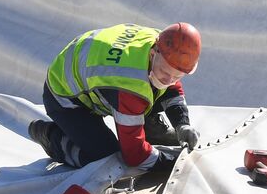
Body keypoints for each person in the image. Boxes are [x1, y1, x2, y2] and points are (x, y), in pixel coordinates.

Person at [29, 23, 201, 171]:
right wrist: (173, 164)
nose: (169, 80)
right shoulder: (129, 83)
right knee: (107, 160)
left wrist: (182, 124)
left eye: (177, 76)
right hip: (65, 96)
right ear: (153, 53)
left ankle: (148, 127)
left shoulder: (163, 41)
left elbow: (171, 88)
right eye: (165, 72)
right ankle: (52, 138)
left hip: (92, 74)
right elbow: (135, 157)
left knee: (157, 85)